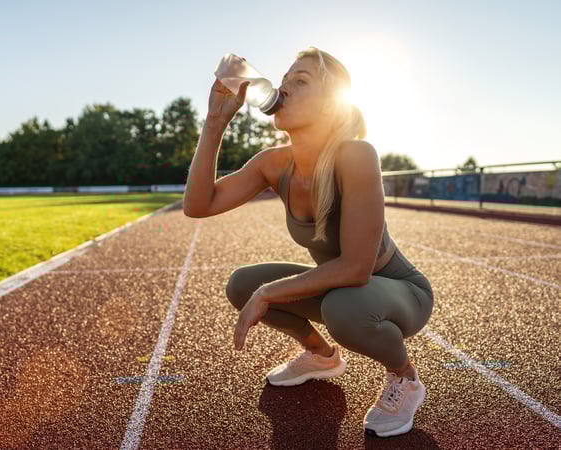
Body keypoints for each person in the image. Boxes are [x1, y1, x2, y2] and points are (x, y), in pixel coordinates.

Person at [183, 46, 434, 438]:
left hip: (401, 293)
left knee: (341, 305)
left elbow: (355, 268)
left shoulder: (356, 155)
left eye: (300, 82)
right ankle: (321, 356)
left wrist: (270, 293)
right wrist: (215, 122)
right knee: (242, 284)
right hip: (341, 287)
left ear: (332, 105)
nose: (283, 91)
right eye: (283, 83)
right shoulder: (273, 163)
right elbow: (198, 205)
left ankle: (405, 378)